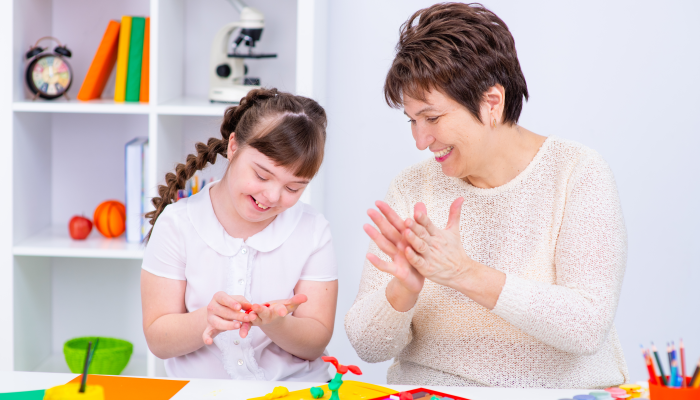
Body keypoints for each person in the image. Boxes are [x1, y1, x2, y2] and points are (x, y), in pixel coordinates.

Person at [345, 3, 629, 388]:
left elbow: (586, 326)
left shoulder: (576, 172)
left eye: (432, 118)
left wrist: (464, 274)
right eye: (412, 121)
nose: (420, 140)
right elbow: (368, 346)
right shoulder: (413, 187)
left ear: (491, 102)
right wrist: (402, 291)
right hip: (435, 392)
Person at [140, 88, 338, 381]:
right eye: (261, 175)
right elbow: (158, 339)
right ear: (233, 146)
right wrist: (207, 319)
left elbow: (316, 342)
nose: (272, 196)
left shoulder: (312, 230)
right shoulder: (178, 224)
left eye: (293, 188)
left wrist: (275, 324)